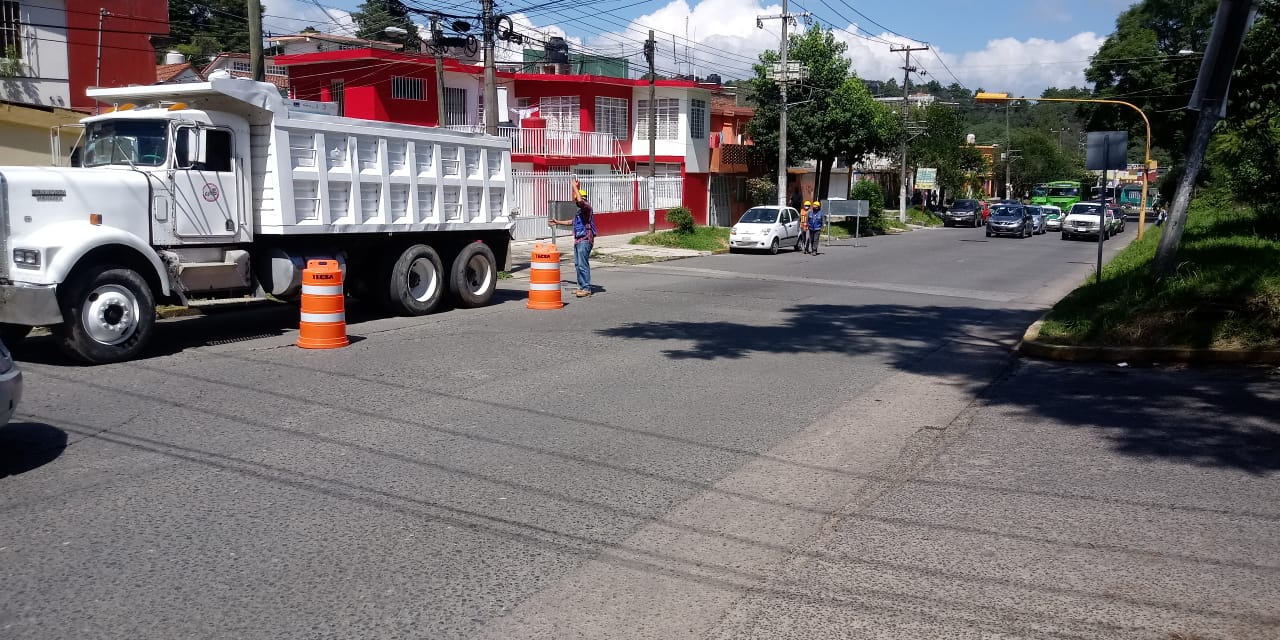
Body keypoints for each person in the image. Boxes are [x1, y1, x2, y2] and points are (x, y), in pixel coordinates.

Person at [548, 178, 597, 297]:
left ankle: (586, 288)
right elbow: (572, 222)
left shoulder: (586, 207)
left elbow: (580, 201)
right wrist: (557, 222)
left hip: (585, 240)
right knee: (578, 264)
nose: (575, 200)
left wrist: (575, 187)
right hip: (578, 240)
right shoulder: (580, 212)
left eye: (576, 197)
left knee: (582, 264)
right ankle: (581, 286)